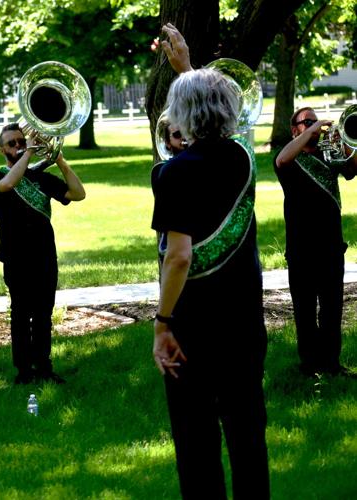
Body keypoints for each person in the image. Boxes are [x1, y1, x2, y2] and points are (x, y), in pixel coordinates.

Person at [151, 23, 270, 499]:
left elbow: (178, 258)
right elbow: (227, 117)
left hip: (193, 326)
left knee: (196, 436)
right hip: (244, 321)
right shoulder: (242, 157)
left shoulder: (173, 173)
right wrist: (189, 69)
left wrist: (162, 323)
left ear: (180, 112)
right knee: (246, 431)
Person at [0, 123, 85, 385]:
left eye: (21, 141)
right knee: (21, 314)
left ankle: (43, 366)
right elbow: (8, 185)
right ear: (2, 150)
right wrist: (29, 153)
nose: (18, 146)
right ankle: (23, 371)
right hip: (16, 257)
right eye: (13, 143)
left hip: (44, 256)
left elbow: (78, 193)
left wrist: (60, 161)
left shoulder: (40, 177)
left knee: (43, 313)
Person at [274, 107, 357, 376]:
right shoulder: (290, 159)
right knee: (305, 311)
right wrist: (312, 130)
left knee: (332, 309)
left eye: (314, 120)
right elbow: (282, 160)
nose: (314, 126)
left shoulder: (328, 152)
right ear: (295, 129)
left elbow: (352, 169)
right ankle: (309, 365)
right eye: (306, 122)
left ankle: (332, 364)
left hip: (332, 246)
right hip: (300, 249)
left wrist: (346, 142)